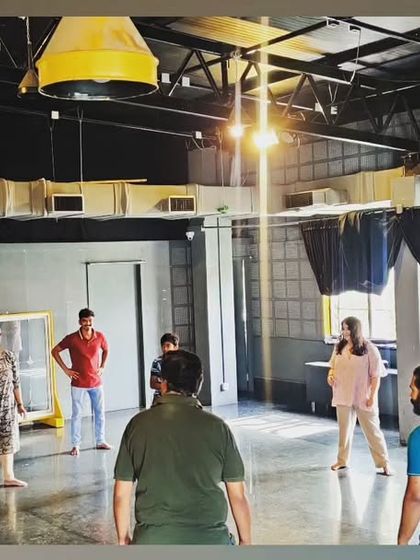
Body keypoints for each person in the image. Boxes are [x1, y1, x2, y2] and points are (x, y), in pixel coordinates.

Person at [113, 349, 252, 545]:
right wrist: (246, 542)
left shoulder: (137, 425)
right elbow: (238, 495)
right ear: (199, 383)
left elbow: (121, 493)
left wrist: (123, 539)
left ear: (163, 383)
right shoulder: (218, 428)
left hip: (152, 542)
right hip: (210, 542)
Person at [327, 316, 391, 476]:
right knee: (344, 430)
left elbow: (376, 376)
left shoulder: (369, 349)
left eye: (348, 328)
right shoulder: (339, 347)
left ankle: (384, 463)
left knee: (372, 430)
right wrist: (330, 376)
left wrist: (372, 396)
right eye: (343, 328)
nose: (345, 332)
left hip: (364, 396)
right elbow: (332, 367)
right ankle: (342, 460)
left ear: (356, 330)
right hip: (343, 394)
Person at [51, 308, 111, 457]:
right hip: (78, 384)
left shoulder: (100, 336)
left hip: (96, 382)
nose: (88, 324)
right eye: (85, 321)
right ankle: (76, 445)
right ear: (80, 322)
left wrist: (103, 366)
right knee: (77, 414)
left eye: (90, 321)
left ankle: (100, 440)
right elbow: (54, 351)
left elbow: (106, 350)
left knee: (100, 412)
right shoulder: (72, 338)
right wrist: (66, 370)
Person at [0, 326, 27, 487]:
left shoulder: (9, 356)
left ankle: (9, 477)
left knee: (7, 440)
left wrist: (20, 404)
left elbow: (16, 383)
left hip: (7, 408)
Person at [398, 366, 420, 545]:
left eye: (413, 389)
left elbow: (415, 497)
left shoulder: (418, 439)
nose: (411, 395)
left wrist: (402, 543)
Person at [149, 332, 179, 406]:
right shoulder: (157, 362)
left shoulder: (182, 362)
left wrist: (163, 383)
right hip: (160, 397)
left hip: (178, 397)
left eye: (168, 346)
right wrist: (172, 386)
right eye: (163, 346)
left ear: (175, 347)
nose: (165, 349)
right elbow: (153, 384)